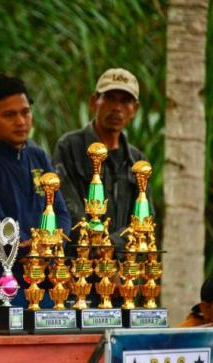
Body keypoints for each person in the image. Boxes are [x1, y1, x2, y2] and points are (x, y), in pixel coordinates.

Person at [0, 75, 71, 306]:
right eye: (9, 115)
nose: (21, 121)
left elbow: (61, 212)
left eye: (25, 112)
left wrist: (52, 243)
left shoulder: (38, 156)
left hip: (48, 280)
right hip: (4, 284)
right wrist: (32, 246)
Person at [53, 68, 152, 247]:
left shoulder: (137, 160)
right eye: (109, 98)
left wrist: (112, 245)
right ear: (94, 102)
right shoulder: (70, 146)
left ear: (134, 109)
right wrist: (94, 241)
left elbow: (144, 218)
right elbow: (65, 202)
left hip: (122, 264)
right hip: (78, 260)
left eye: (125, 101)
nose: (116, 107)